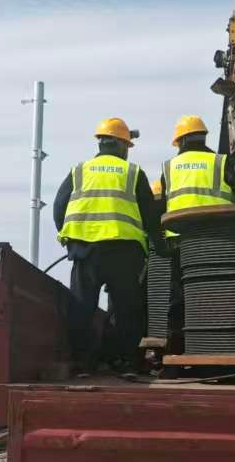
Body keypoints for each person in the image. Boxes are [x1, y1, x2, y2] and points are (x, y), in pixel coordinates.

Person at [158, 114, 235, 352]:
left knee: (179, 299)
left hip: (182, 243)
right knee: (222, 293)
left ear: (180, 141)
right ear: (203, 138)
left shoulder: (168, 168)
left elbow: (162, 205)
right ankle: (222, 346)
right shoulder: (221, 162)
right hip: (220, 242)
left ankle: (175, 353)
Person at [52, 116, 163, 373]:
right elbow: (150, 216)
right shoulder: (132, 173)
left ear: (101, 144)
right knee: (127, 310)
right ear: (123, 145)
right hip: (124, 254)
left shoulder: (79, 171)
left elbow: (59, 207)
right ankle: (126, 361)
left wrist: (69, 237)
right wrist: (160, 246)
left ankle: (81, 362)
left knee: (81, 308)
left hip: (85, 252)